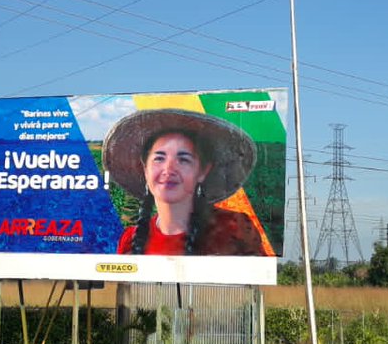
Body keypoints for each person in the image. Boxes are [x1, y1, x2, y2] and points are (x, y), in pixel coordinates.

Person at [102, 108, 268, 256]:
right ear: (145, 169)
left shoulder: (235, 228)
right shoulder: (130, 240)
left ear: (203, 171)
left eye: (183, 160)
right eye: (159, 158)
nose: (169, 169)